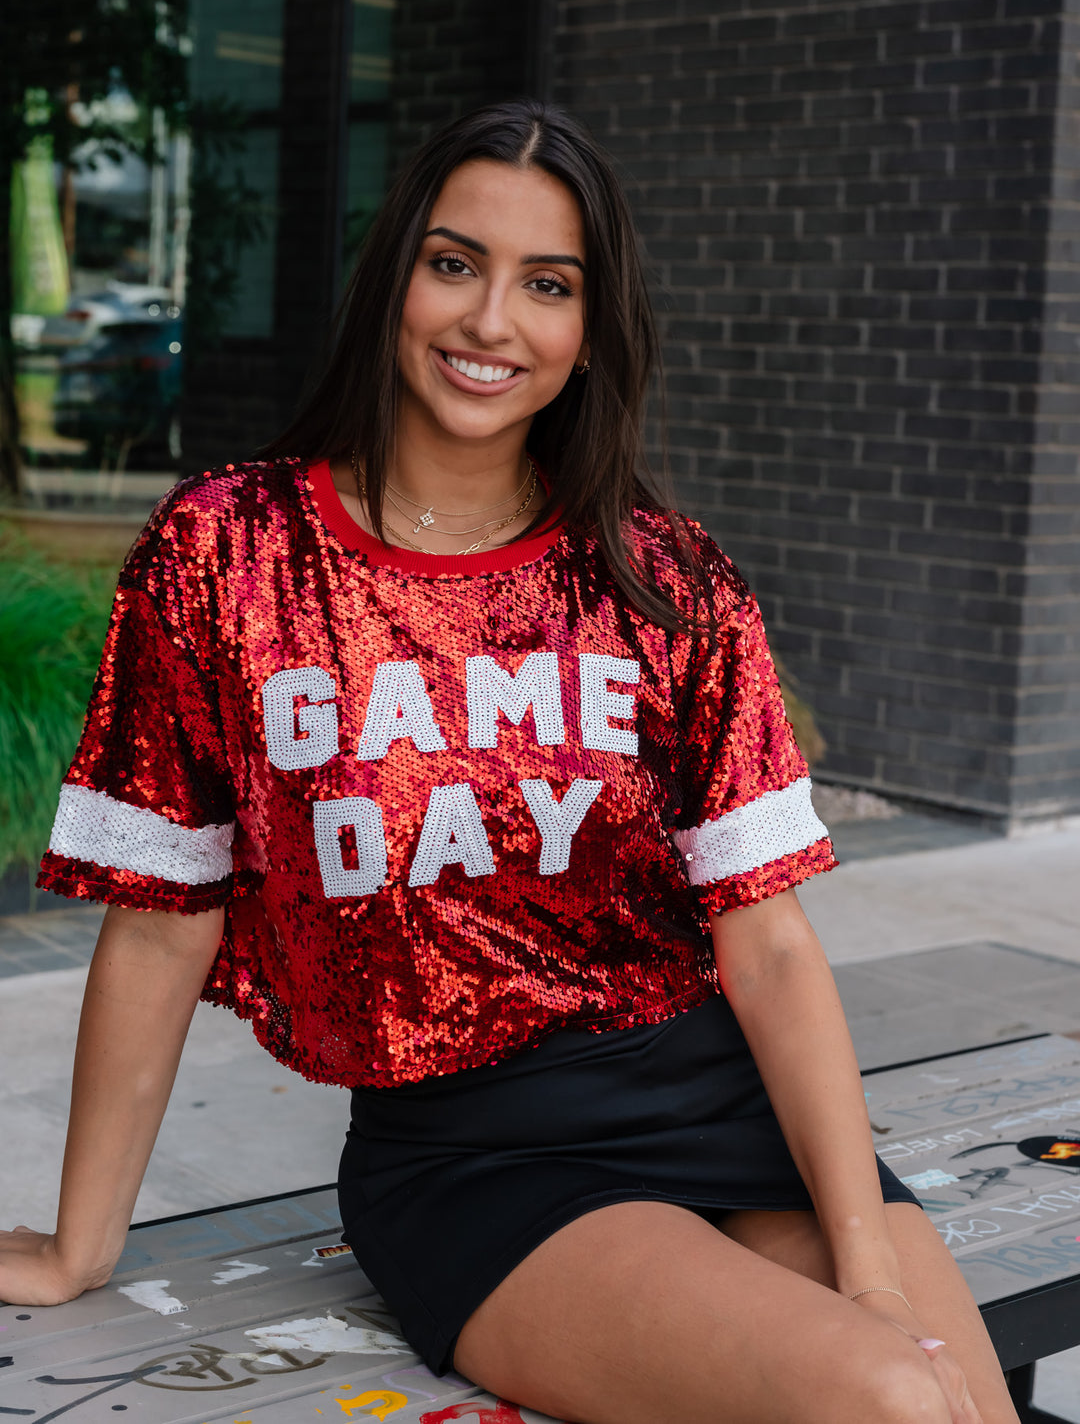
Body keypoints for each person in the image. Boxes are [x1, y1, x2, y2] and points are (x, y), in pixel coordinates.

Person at [0, 101, 1017, 1424]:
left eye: (549, 285)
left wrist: (868, 1261)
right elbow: (161, 924)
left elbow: (766, 947)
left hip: (720, 1100)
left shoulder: (667, 579)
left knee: (953, 1402)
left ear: (591, 330)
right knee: (882, 1398)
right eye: (455, 262)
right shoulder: (228, 554)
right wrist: (83, 1245)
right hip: (479, 1159)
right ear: (395, 278)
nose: (492, 321)